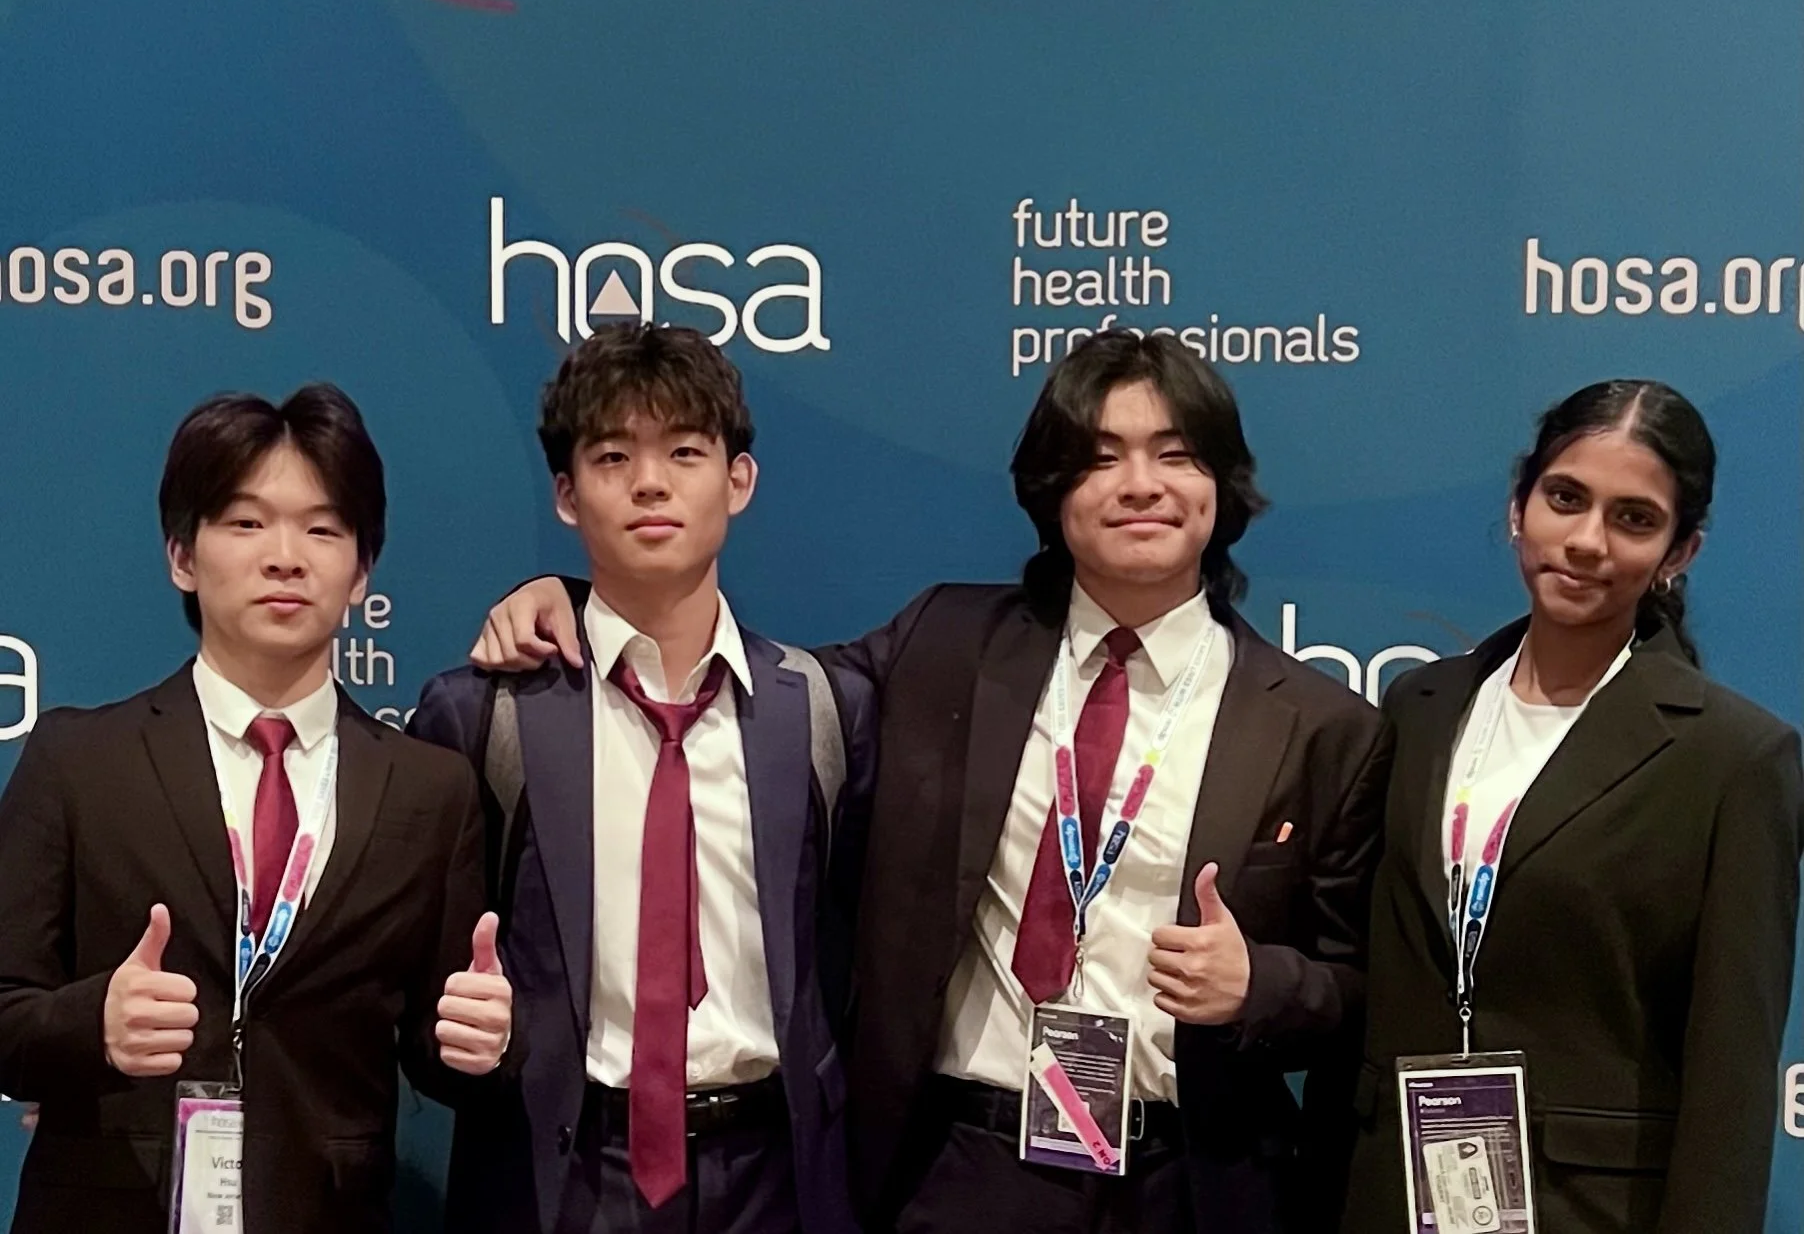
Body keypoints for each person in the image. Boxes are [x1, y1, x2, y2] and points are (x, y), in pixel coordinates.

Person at [478, 330, 1386, 1233]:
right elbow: (731, 682)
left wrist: (1260, 985)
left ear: (1221, 484)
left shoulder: (1316, 726)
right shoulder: (944, 645)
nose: (1140, 484)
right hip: (959, 1171)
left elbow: (1360, 990)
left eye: (1175, 455)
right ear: (1052, 489)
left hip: (1188, 1181)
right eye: (1102, 457)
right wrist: (578, 598)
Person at [0, 385, 513, 1234]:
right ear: (182, 556)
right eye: (245, 523)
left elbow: (437, 1055)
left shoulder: (430, 790)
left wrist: (480, 1043)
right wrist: (93, 1025)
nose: (285, 557)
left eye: (323, 529)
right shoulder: (78, 760)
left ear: (362, 573)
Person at [413, 323, 875, 1234]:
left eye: (685, 452)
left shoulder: (822, 710)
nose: (650, 483)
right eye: (613, 456)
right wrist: (471, 1039)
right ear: (566, 494)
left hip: (775, 1178)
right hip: (564, 1175)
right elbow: (424, 994)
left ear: (739, 481)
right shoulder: (485, 715)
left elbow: (852, 957)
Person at [1343, 379, 1804, 1234]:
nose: (1587, 541)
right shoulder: (1421, 706)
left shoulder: (1735, 758)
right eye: (1565, 498)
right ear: (1519, 506)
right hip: (1394, 1193)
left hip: (1593, 1210)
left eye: (1633, 518)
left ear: (1679, 552)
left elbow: (1732, 1076)